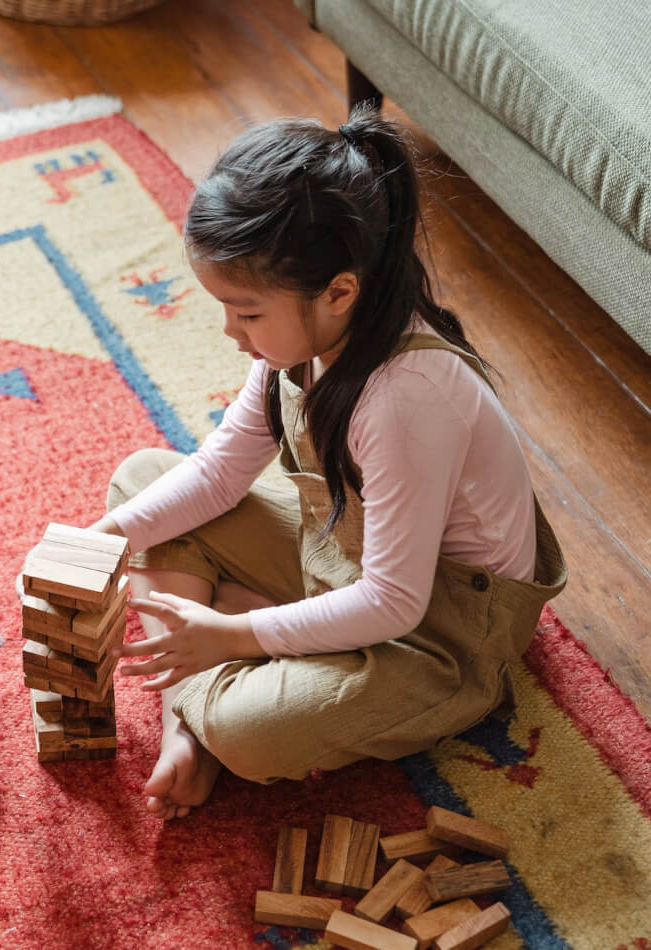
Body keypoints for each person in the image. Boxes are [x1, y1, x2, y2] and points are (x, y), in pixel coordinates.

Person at [85, 107, 567, 819]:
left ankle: (201, 705)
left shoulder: (405, 398)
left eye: (246, 314)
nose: (230, 332)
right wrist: (102, 542)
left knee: (249, 738)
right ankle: (212, 685)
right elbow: (220, 473)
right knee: (143, 482)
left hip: (442, 630)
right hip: (344, 556)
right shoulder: (304, 339)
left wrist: (232, 633)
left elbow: (394, 602)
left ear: (340, 291)